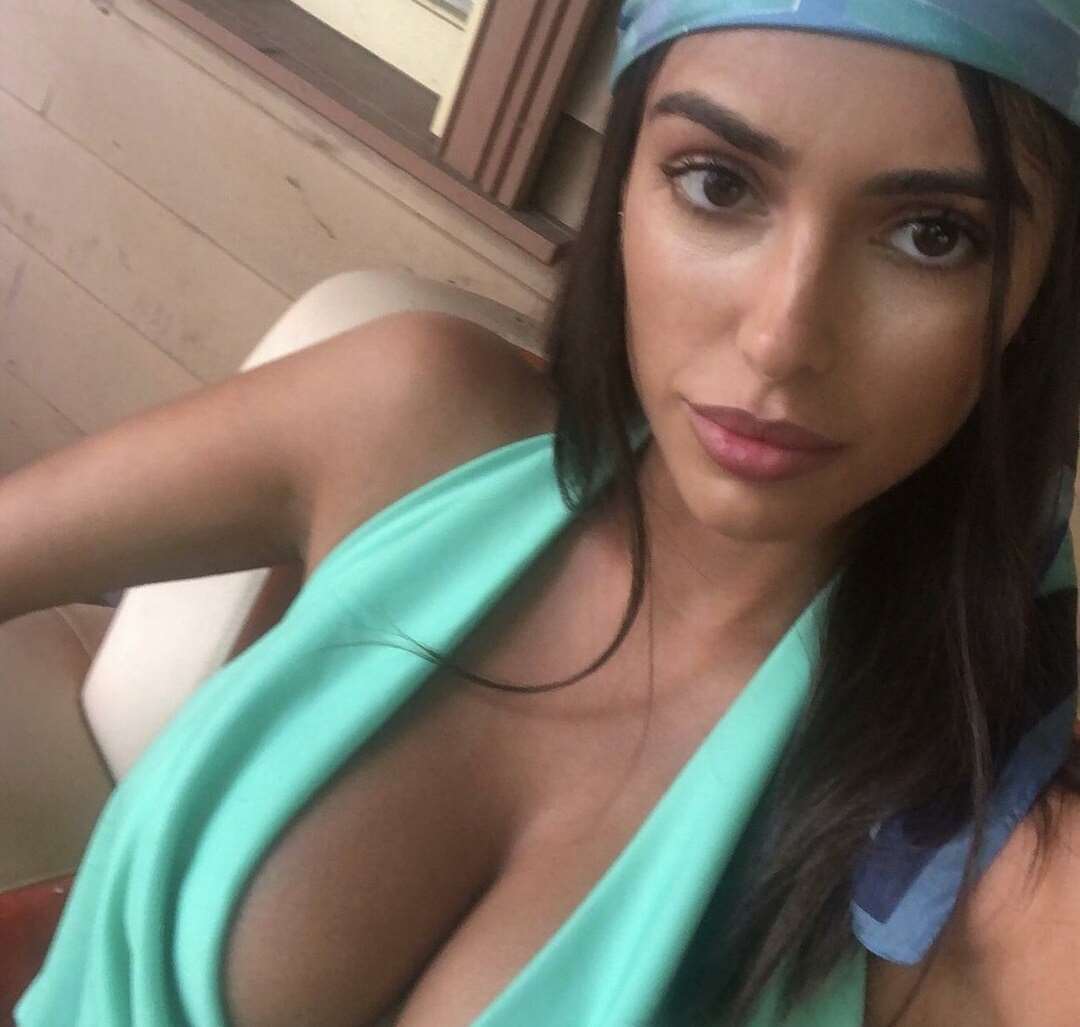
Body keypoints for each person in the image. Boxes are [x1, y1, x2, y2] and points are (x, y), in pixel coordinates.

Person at [5, 1, 1080, 1024]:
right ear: (623, 185)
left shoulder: (990, 845)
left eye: (934, 235)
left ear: (1041, 293)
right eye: (717, 183)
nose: (781, 339)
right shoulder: (412, 419)